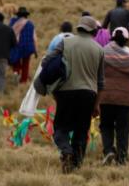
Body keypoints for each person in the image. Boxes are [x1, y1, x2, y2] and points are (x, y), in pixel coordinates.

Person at [43, 16, 105, 173]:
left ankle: (66, 150)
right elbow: (101, 82)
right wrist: (97, 104)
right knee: (81, 130)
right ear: (94, 31)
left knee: (60, 128)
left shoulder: (66, 42)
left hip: (66, 93)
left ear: (79, 28)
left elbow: (47, 61)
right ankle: (76, 167)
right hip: (88, 95)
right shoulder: (99, 49)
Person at [98, 27, 129, 165]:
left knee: (106, 125)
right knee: (123, 128)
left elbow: (96, 75)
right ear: (126, 40)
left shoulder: (103, 53)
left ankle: (108, 151)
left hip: (105, 97)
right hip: (126, 99)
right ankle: (122, 158)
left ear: (112, 37)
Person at [9, 7, 38, 84]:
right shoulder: (30, 24)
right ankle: (23, 80)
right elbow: (34, 38)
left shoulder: (12, 22)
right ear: (26, 15)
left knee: (16, 61)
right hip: (28, 47)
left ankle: (16, 72)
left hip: (17, 46)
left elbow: (9, 33)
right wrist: (35, 50)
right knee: (26, 64)